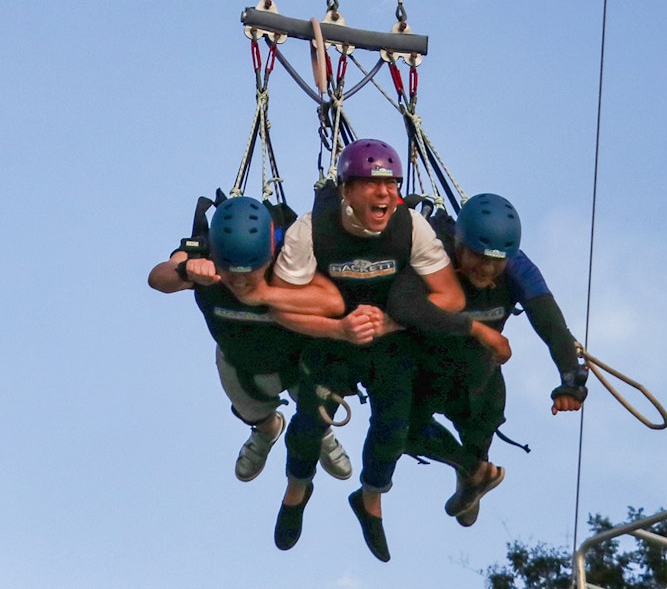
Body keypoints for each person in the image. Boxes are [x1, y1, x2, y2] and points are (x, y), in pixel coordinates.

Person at [267, 138, 465, 562]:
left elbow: (450, 297)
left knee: (392, 428)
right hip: (332, 335)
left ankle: (370, 499)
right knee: (307, 424)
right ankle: (297, 488)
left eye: (392, 183)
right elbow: (280, 308)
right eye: (372, 184)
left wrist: (392, 321)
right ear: (345, 190)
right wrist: (339, 329)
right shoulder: (311, 229)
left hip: (390, 338)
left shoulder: (411, 225)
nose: (384, 193)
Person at [388, 192, 588, 527]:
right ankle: (471, 469)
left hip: (478, 379)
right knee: (401, 428)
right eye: (479, 257)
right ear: (460, 244)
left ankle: (474, 472)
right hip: (422, 368)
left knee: (482, 424)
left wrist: (571, 382)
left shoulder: (518, 268)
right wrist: (477, 329)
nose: (488, 268)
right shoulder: (434, 250)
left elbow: (551, 324)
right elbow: (403, 306)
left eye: (497, 261)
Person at [147, 196, 354, 485]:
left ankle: (320, 431)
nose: (241, 281)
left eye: (250, 271)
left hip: (300, 357)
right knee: (249, 405)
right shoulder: (203, 254)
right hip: (240, 360)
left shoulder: (293, 254)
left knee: (317, 404)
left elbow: (333, 301)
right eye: (231, 272)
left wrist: (265, 296)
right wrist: (186, 270)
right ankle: (267, 429)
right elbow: (158, 278)